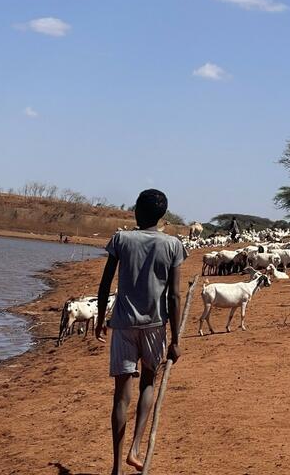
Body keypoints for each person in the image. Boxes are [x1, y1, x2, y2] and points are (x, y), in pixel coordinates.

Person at [96, 189, 185, 475]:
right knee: (148, 382)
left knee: (120, 396)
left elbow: (105, 282)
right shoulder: (173, 245)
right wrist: (176, 339)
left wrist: (100, 318)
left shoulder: (121, 239)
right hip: (155, 327)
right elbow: (174, 296)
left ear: (136, 210)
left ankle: (115, 467)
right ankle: (135, 448)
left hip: (123, 325)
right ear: (162, 216)